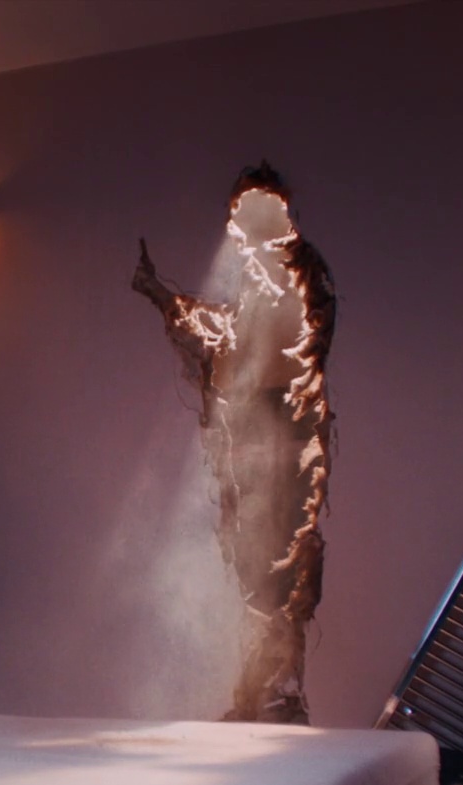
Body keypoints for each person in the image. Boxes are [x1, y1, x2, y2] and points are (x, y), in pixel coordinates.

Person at [131, 163, 337, 725]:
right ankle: (256, 694)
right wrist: (159, 294)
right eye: (238, 214)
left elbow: (298, 340)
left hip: (289, 434)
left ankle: (279, 695)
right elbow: (225, 335)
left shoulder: (301, 274)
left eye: (253, 212)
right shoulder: (251, 282)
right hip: (246, 436)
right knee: (252, 566)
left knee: (286, 566)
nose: (240, 228)